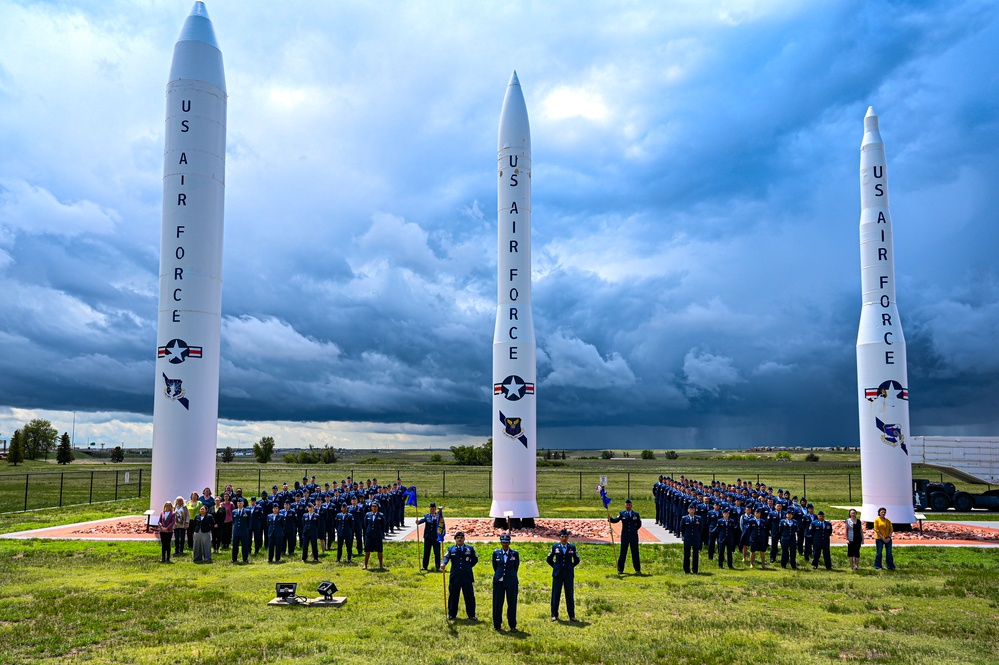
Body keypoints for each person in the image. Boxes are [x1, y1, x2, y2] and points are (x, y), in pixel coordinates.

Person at [442, 531, 478, 621]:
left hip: (467, 577)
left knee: (469, 596)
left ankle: (471, 615)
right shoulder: (451, 549)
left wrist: (468, 567)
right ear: (455, 539)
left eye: (461, 538)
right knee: (453, 596)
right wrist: (443, 564)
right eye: (457, 538)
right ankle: (452, 614)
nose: (459, 539)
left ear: (464, 539)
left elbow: (475, 559)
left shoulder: (470, 549)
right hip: (455, 577)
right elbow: (445, 558)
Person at [547, 529, 580, 621]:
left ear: (568, 537)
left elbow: (577, 560)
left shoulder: (572, 547)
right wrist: (555, 567)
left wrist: (570, 567)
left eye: (565, 537)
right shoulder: (555, 547)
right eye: (562, 537)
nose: (564, 538)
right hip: (558, 574)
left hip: (568, 575)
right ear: (559, 537)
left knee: (569, 594)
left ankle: (571, 615)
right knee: (555, 594)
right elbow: (549, 559)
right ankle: (554, 614)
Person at [491, 534, 520, 632]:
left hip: (511, 581)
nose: (505, 544)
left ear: (509, 542)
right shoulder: (496, 553)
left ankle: (512, 625)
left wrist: (509, 575)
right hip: (499, 581)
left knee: (512, 604)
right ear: (501, 542)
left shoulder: (514, 553)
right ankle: (497, 625)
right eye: (503, 542)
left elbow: (516, 567)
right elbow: (495, 566)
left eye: (506, 542)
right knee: (497, 603)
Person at [608, 498, 642, 574]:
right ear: (625, 505)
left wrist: (634, 530)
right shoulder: (622, 513)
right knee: (623, 553)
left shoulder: (636, 514)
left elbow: (639, 524)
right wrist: (610, 518)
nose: (628, 506)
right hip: (625, 536)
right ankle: (620, 569)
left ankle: (637, 569)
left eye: (629, 505)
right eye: (627, 505)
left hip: (633, 536)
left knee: (635, 553)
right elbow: (616, 520)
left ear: (631, 505)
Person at [417, 503, 443, 571]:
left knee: (437, 552)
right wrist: (418, 522)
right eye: (431, 508)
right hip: (428, 537)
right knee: (426, 552)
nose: (432, 510)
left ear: (435, 509)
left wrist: (440, 511)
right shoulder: (427, 516)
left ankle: (438, 567)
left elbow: (441, 521)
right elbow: (423, 520)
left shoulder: (437, 516)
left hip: (436, 537)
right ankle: (424, 566)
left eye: (433, 509)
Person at [363, 500, 386, 570]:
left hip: (377, 535)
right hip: (369, 535)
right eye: (373, 506)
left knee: (379, 550)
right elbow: (365, 525)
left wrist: (380, 533)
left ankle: (381, 564)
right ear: (371, 507)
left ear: (377, 507)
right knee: (367, 550)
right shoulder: (367, 515)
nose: (374, 508)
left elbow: (383, 525)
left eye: (375, 506)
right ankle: (365, 564)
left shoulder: (381, 515)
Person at [679, 504, 702, 574]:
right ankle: (686, 569)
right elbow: (681, 528)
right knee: (687, 555)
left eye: (693, 509)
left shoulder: (698, 518)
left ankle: (695, 569)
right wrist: (683, 536)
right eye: (690, 509)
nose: (692, 511)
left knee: (695, 555)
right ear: (688, 510)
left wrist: (698, 536)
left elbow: (700, 529)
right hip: (687, 538)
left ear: (695, 510)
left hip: (695, 538)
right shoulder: (684, 518)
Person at [873, 507, 895, 571]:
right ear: (879, 513)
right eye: (882, 512)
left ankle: (890, 566)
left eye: (884, 512)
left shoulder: (888, 520)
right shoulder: (876, 520)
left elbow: (891, 529)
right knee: (879, 552)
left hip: (888, 538)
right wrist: (883, 538)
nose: (883, 513)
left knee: (889, 552)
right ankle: (878, 566)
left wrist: (888, 537)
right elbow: (876, 530)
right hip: (879, 538)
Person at [231, 498, 252, 564]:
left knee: (245, 545)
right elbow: (234, 521)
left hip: (244, 531)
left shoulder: (247, 511)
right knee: (235, 545)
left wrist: (246, 528)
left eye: (240, 503)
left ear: (243, 503)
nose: (239, 504)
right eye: (238, 503)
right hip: (236, 531)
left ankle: (245, 559)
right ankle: (234, 559)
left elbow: (249, 521)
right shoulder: (234, 511)